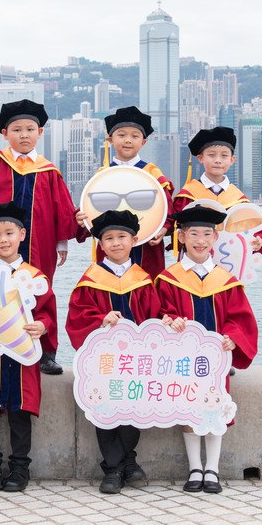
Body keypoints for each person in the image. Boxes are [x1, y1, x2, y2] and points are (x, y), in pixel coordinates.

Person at [0, 93, 77, 375]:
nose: (24, 135)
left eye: (30, 129)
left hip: (40, 243)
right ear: (4, 134)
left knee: (40, 290)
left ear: (40, 132)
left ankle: (45, 351)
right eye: (16, 130)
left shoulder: (49, 171)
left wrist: (61, 241)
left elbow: (61, 208)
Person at [155, 205, 258, 495]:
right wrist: (169, 320)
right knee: (188, 411)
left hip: (215, 360)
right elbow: (159, 312)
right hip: (183, 360)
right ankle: (194, 468)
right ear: (181, 237)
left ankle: (212, 468)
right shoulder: (168, 278)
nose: (200, 240)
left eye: (206, 234)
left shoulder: (226, 281)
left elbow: (240, 318)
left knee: (215, 410)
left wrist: (234, 337)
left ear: (215, 238)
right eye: (194, 234)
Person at [66, 209, 162, 494]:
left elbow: (154, 315)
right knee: (105, 410)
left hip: (135, 361)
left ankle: (124, 462)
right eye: (109, 238)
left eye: (122, 237)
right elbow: (77, 316)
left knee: (131, 407)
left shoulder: (143, 279)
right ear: (101, 244)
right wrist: (100, 319)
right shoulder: (91, 278)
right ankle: (115, 467)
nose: (116, 243)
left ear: (133, 241)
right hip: (104, 361)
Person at [0, 202, 55, 493]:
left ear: (22, 234)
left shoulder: (35, 277)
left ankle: (20, 467)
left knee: (20, 411)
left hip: (22, 354)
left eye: (9, 233)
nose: (3, 240)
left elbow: (47, 313)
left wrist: (43, 326)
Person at [74, 106, 174, 278]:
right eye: (121, 135)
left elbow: (168, 211)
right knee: (109, 286)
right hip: (111, 244)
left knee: (147, 287)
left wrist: (164, 229)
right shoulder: (102, 176)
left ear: (143, 142)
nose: (128, 140)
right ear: (110, 139)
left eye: (135, 136)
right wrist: (81, 219)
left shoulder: (153, 174)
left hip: (146, 246)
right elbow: (90, 209)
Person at [173, 127, 262, 261]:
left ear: (232, 160)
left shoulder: (239, 200)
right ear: (200, 158)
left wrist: (258, 241)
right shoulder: (188, 195)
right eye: (211, 155)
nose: (218, 160)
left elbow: (255, 232)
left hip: (231, 263)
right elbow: (175, 230)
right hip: (194, 262)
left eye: (224, 155)